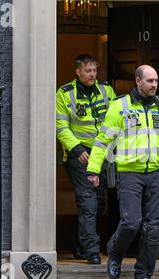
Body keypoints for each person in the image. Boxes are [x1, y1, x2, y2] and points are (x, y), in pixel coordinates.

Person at [86, 65, 159, 279]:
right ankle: (115, 251)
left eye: (156, 80)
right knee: (131, 222)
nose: (154, 84)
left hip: (158, 172)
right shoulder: (119, 107)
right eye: (150, 80)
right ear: (137, 81)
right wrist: (94, 170)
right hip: (129, 172)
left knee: (153, 227)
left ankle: (143, 275)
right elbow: (103, 140)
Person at [56, 54, 117, 264]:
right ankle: (92, 251)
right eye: (88, 71)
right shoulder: (65, 94)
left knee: (98, 204)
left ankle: (76, 241)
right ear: (78, 72)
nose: (93, 74)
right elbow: (61, 126)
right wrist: (77, 148)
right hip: (79, 156)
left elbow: (116, 118)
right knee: (87, 201)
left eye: (94, 70)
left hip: (102, 154)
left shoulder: (106, 90)